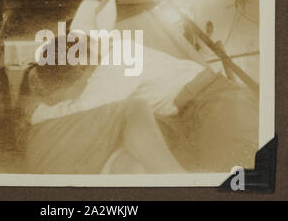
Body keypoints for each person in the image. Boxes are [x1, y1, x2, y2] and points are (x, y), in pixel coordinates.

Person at [29, 35, 259, 173]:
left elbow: (91, 106)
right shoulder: (105, 61)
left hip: (214, 102)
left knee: (239, 171)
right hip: (186, 112)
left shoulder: (119, 56)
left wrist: (40, 113)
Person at [19, 35, 185, 174]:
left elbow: (88, 104)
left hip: (197, 98)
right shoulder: (111, 73)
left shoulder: (119, 57)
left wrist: (39, 114)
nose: (91, 84)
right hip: (186, 108)